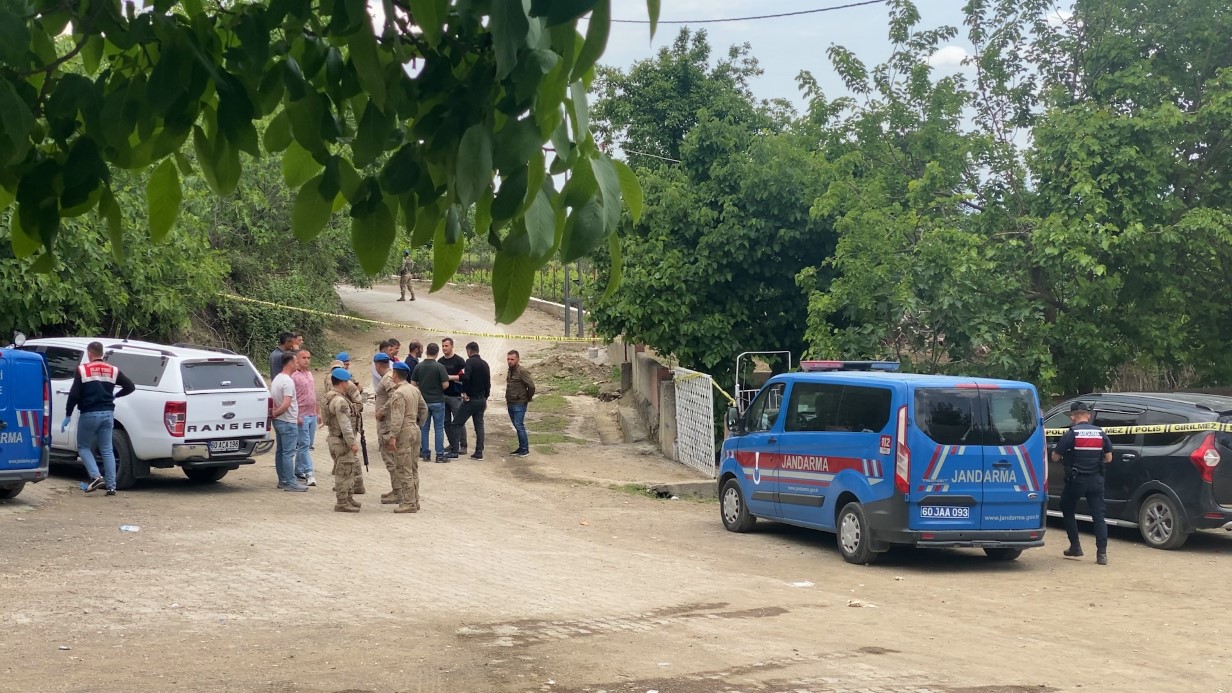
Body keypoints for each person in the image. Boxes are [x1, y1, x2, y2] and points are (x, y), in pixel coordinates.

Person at [63, 341, 136, 495]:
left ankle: (96, 476)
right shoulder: (113, 370)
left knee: (83, 447)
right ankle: (111, 486)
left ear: (90, 353)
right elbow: (130, 386)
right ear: (101, 353)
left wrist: (68, 414)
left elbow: (74, 395)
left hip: (89, 413)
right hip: (108, 414)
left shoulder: (82, 370)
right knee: (107, 449)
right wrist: (115, 395)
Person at [1051, 401, 1114, 565]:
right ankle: (1102, 554)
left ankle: (1076, 546)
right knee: (1099, 516)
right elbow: (1109, 458)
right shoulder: (1100, 433)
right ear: (1088, 415)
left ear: (1072, 417)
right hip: (1096, 480)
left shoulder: (1071, 434)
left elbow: (1055, 457)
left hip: (1076, 479)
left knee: (1067, 507)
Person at [386, 361, 428, 513]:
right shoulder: (414, 389)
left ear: (395, 375)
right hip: (415, 430)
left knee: (403, 468)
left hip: (404, 431)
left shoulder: (399, 393)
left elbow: (397, 418)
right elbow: (424, 408)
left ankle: (409, 503)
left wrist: (392, 437)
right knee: (413, 467)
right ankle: (415, 500)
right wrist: (419, 424)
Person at [321, 368, 362, 513]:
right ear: (343, 383)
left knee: (348, 470)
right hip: (341, 440)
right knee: (344, 471)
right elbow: (345, 424)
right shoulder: (340, 401)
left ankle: (348, 497)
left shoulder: (328, 396)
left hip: (334, 437)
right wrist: (352, 442)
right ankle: (342, 501)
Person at [271, 351, 308, 491]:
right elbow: (287, 403)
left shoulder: (277, 379)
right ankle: (290, 481)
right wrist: (276, 412)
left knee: (280, 451)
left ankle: (282, 479)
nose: (297, 364)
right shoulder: (288, 381)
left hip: (280, 421)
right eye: (296, 362)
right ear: (291, 363)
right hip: (287, 421)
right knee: (288, 453)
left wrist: (275, 414)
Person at [411, 342, 451, 463]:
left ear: (426, 352)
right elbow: (445, 384)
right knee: (439, 428)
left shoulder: (419, 366)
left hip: (423, 402)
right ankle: (439, 455)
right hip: (438, 401)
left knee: (424, 428)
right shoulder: (439, 367)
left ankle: (425, 454)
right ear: (437, 353)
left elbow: (413, 384)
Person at [372, 352, 402, 503]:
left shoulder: (387, 378)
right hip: (386, 424)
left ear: (377, 365)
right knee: (390, 459)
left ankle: (398, 492)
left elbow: (396, 396)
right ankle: (396, 489)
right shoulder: (390, 376)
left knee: (391, 459)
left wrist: (382, 411)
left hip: (387, 425)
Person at [455, 342, 491, 460]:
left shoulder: (469, 362)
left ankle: (454, 450)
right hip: (481, 399)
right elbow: (488, 384)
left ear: (469, 351)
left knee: (456, 423)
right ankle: (479, 451)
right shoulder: (485, 364)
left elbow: (466, 377)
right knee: (479, 426)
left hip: (471, 399)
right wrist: (485, 398)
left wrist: (464, 392)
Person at [291, 348, 319, 487]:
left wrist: (318, 413)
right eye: (304, 358)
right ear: (297, 360)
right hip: (301, 415)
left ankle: (298, 470)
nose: (307, 360)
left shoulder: (309, 374)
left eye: (308, 358)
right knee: (304, 445)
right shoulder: (294, 376)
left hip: (312, 414)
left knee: (307, 445)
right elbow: (292, 398)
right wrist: (296, 415)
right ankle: (309, 472)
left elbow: (313, 394)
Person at [439, 337, 468, 458]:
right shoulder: (440, 361)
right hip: (443, 396)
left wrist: (449, 377)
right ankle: (452, 444)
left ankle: (463, 445)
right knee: (446, 422)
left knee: (459, 421)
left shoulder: (459, 361)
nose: (444, 348)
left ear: (452, 346)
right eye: (443, 346)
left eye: (446, 346)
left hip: (456, 396)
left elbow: (463, 377)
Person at [505, 350, 535, 457]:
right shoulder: (510, 371)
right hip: (511, 402)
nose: (510, 361)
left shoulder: (522, 371)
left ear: (518, 359)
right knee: (516, 425)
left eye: (512, 359)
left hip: (519, 403)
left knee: (519, 425)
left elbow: (531, 386)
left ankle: (524, 449)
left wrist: (527, 397)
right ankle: (521, 447)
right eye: (508, 359)